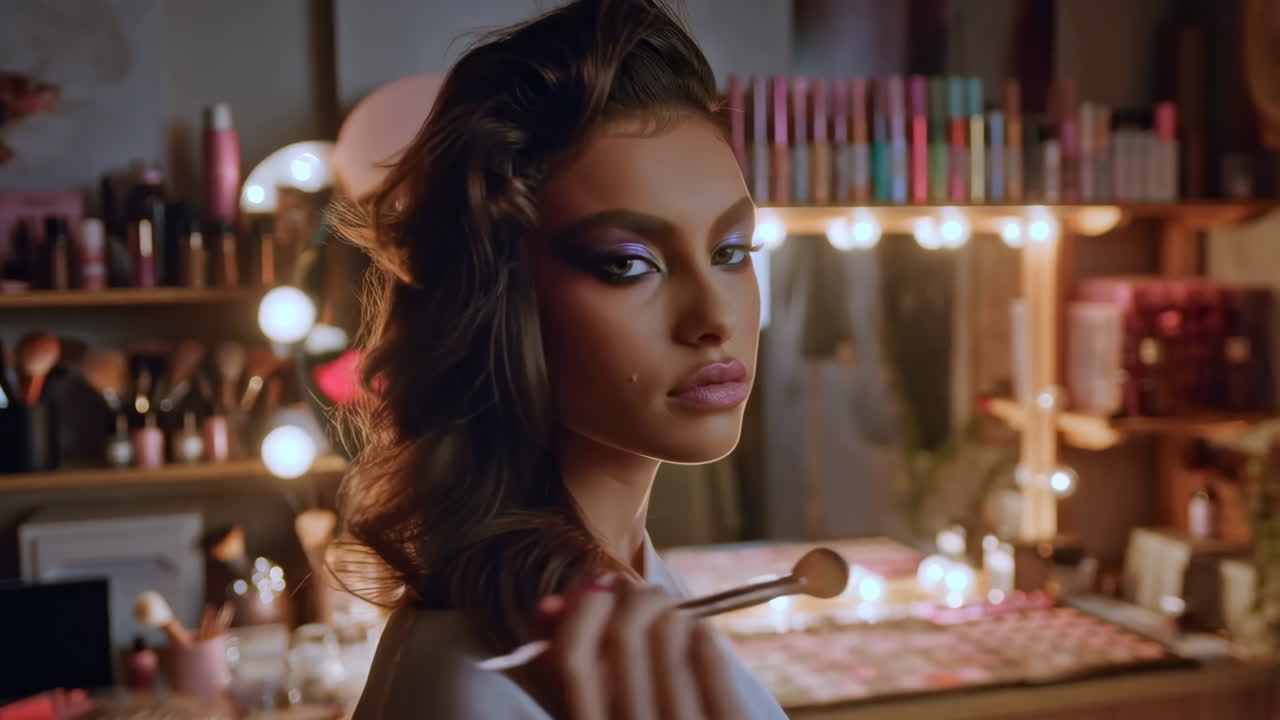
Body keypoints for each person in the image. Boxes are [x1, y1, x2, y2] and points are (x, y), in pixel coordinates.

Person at [337, 0, 785, 717]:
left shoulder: (625, 589)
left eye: (730, 252)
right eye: (629, 265)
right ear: (498, 301)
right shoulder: (473, 686)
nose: (715, 319)